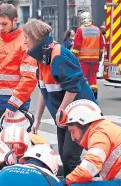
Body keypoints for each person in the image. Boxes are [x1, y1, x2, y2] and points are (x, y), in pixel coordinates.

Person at [24, 18, 96, 177]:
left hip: (80, 114)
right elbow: (44, 90)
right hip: (65, 115)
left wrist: (61, 110)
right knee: (64, 155)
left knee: (70, 156)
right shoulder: (42, 57)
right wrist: (37, 119)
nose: (25, 42)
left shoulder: (58, 55)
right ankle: (73, 185)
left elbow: (73, 87)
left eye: (27, 38)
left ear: (36, 38)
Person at [0, 3, 38, 139]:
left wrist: (13, 104)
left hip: (13, 105)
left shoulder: (24, 42)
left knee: (14, 146)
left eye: (4, 24)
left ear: (15, 20)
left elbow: (29, 78)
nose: (0, 28)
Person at [72, 12, 104, 99]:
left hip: (83, 59)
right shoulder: (97, 30)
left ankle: (85, 94)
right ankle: (93, 92)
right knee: (93, 76)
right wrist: (100, 56)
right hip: (95, 59)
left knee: (84, 77)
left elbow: (77, 46)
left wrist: (74, 57)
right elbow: (101, 45)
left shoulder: (80, 30)